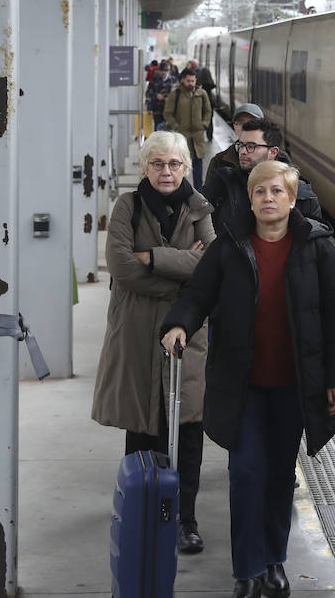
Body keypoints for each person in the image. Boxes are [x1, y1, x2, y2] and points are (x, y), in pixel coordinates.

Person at [161, 161, 335, 598]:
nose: (268, 198)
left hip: (294, 385)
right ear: (250, 200)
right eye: (260, 192)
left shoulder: (317, 247)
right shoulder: (230, 244)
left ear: (291, 199)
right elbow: (198, 294)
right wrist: (178, 325)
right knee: (246, 473)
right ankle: (246, 570)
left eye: (277, 191)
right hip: (242, 384)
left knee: (280, 476)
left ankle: (273, 562)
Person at [91, 131, 215, 554]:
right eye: (158, 163)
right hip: (137, 333)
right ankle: (142, 509)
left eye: (175, 164)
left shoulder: (199, 207)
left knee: (189, 426)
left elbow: (211, 266)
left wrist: (154, 258)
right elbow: (121, 266)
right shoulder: (126, 206)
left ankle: (186, 519)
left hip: (187, 333)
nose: (167, 171)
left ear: (186, 167)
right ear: (145, 167)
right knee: (142, 423)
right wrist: (179, 272)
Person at [202, 118, 323, 236]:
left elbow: (316, 242)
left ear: (273, 152)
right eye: (241, 145)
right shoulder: (223, 182)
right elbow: (192, 211)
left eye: (251, 146)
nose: (242, 151)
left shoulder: (302, 194)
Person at [163, 68, 212, 189]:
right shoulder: (176, 94)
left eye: (193, 81)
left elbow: (208, 111)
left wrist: (204, 124)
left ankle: (199, 193)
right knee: (180, 166)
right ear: (182, 80)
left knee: (198, 167)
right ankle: (181, 191)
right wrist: (176, 127)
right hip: (181, 137)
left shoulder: (202, 94)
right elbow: (168, 113)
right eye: (188, 81)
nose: (191, 83)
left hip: (197, 137)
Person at [146, 62, 175, 130]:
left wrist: (166, 97)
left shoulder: (173, 81)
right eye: (162, 70)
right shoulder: (154, 80)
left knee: (169, 130)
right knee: (157, 129)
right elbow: (148, 93)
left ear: (169, 71)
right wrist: (156, 95)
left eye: (165, 71)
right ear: (159, 71)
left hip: (169, 110)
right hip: (157, 109)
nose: (163, 73)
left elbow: (176, 94)